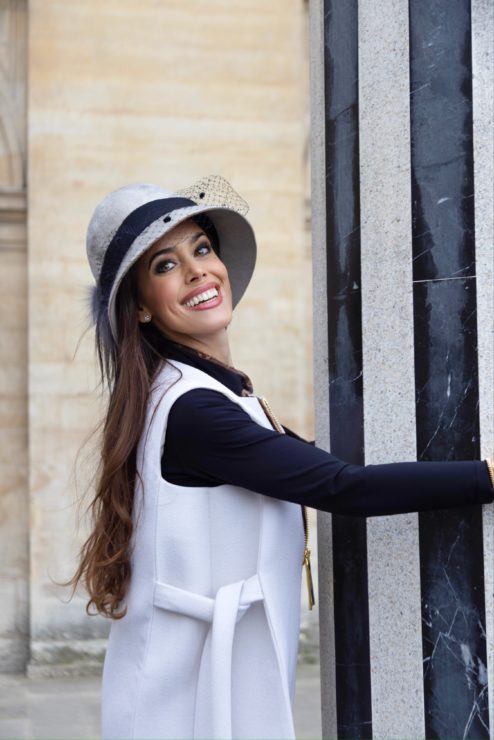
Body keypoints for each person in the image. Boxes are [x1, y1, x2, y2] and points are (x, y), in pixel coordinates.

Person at [73, 175, 494, 740]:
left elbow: (316, 465)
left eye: (202, 248)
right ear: (141, 308)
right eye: (165, 265)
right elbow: (345, 487)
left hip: (203, 682)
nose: (198, 271)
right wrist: (486, 476)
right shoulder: (194, 409)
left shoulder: (207, 390)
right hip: (185, 700)